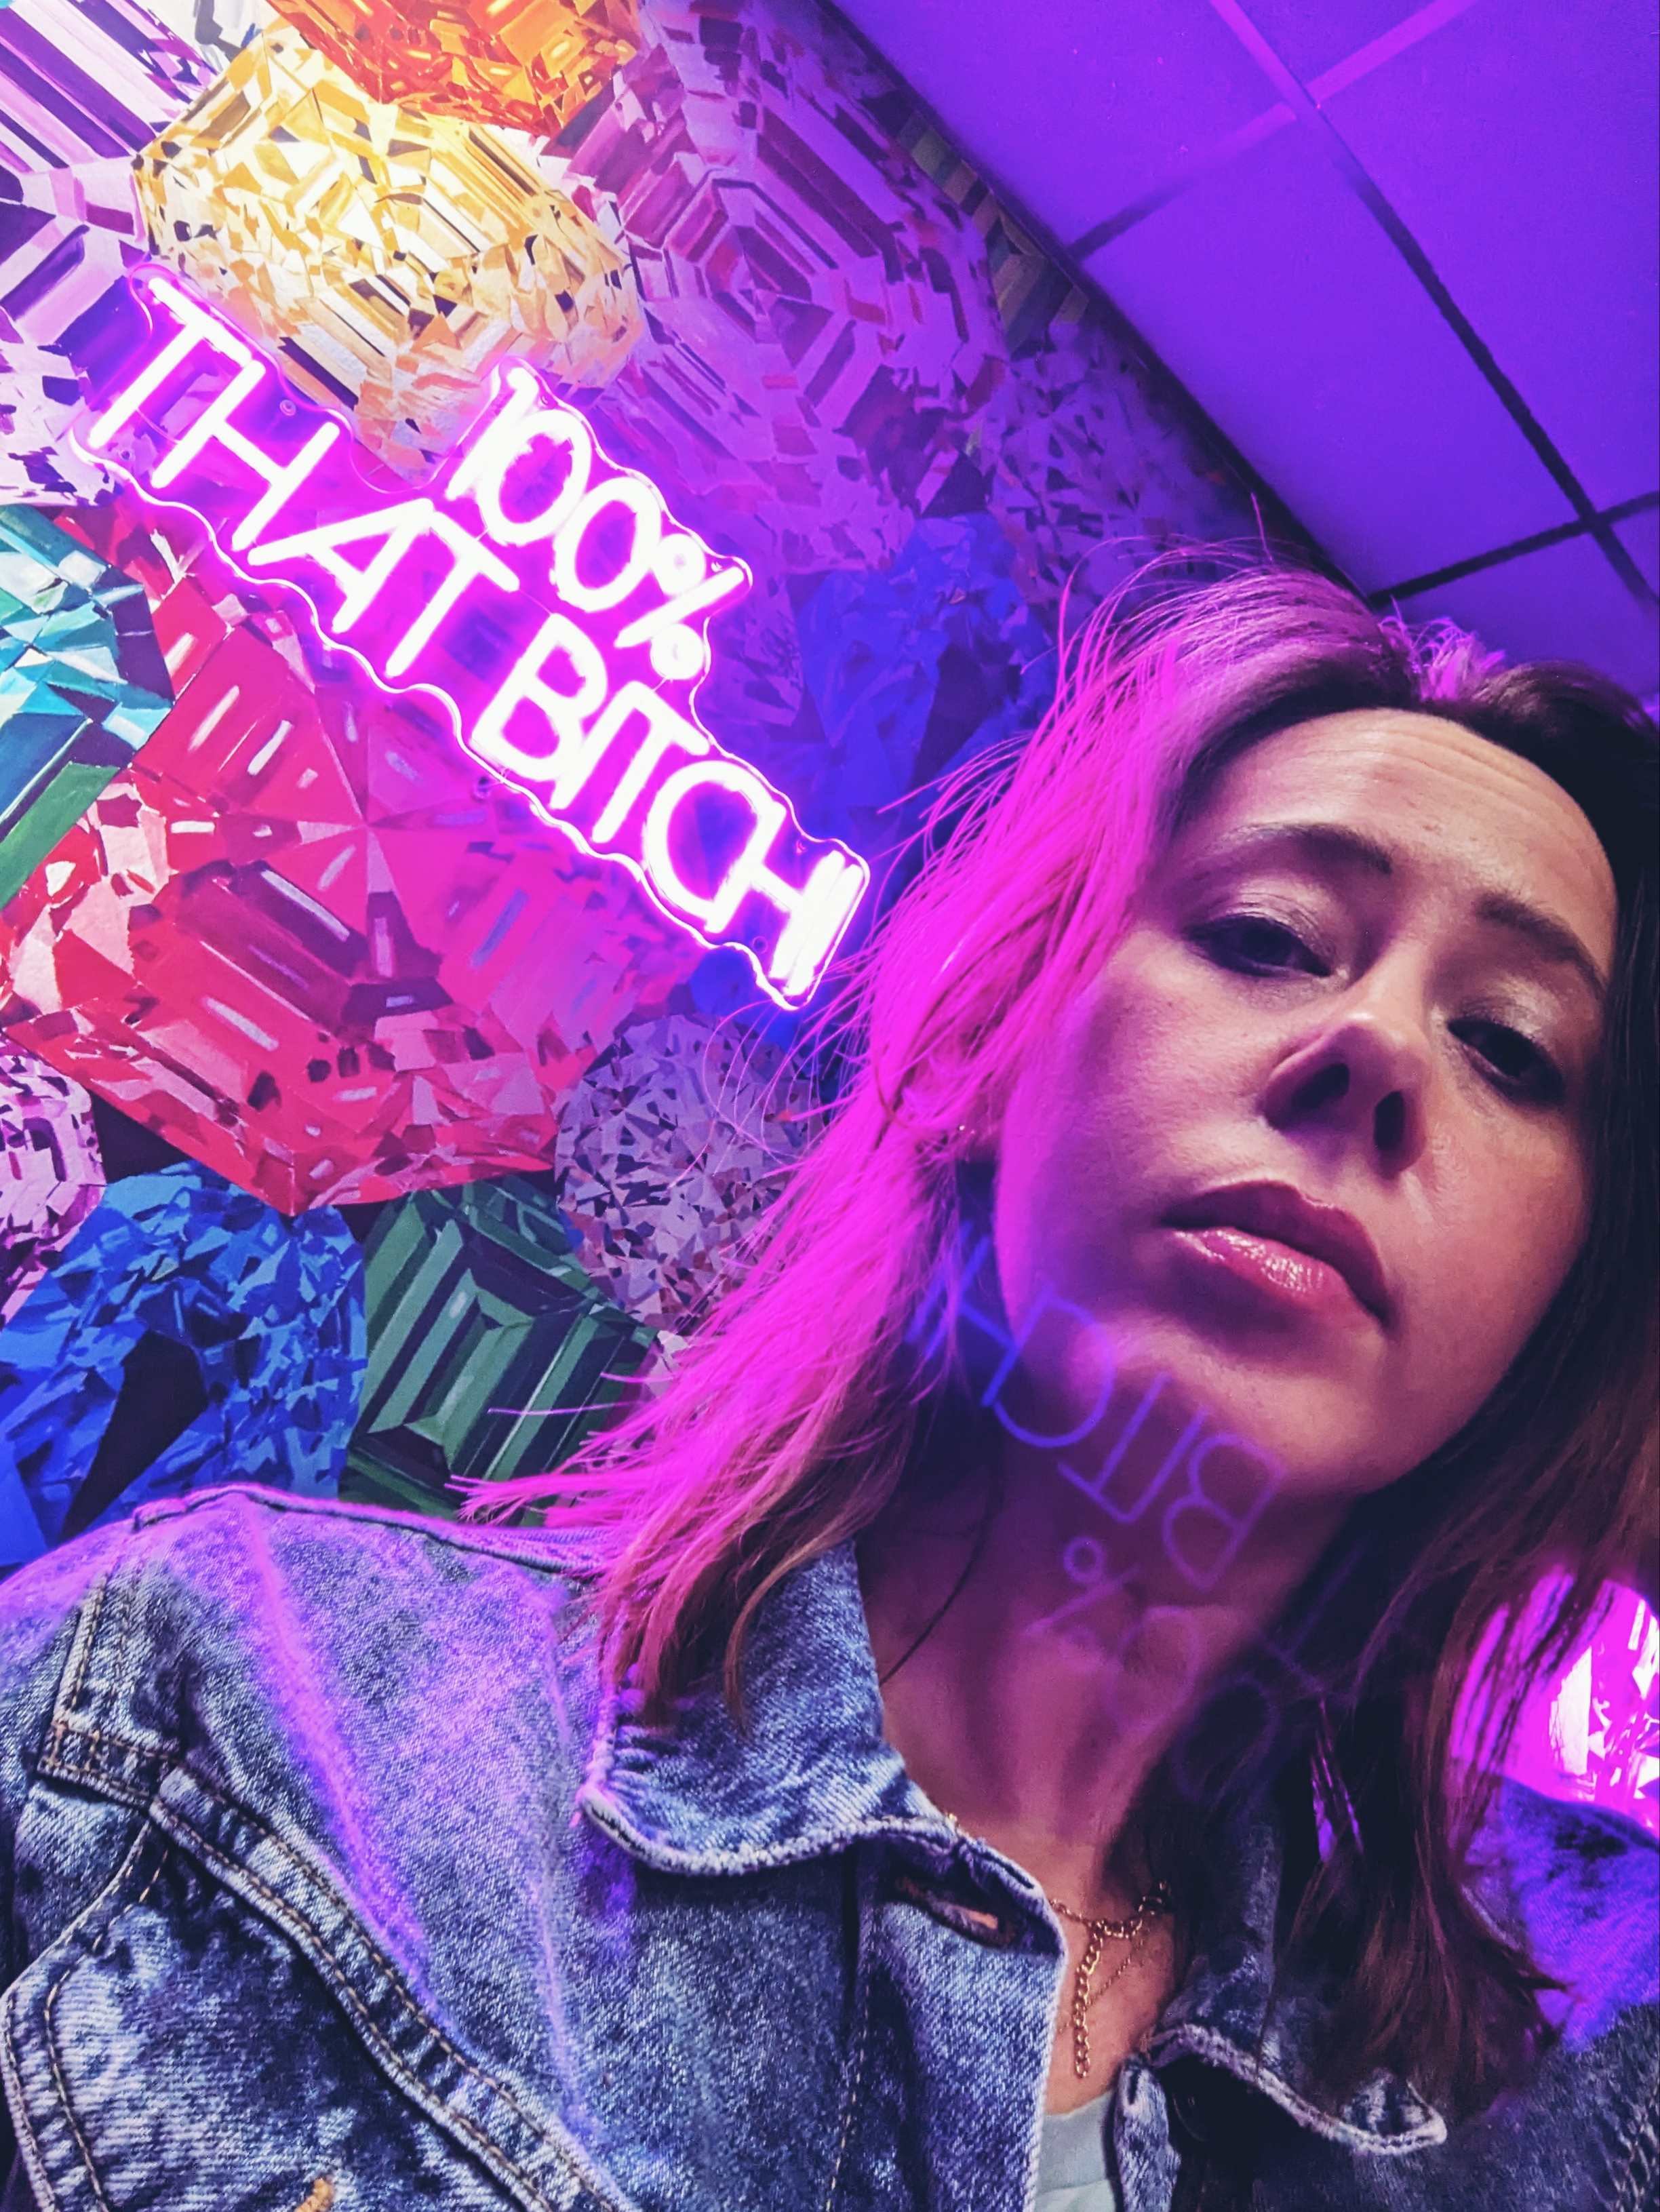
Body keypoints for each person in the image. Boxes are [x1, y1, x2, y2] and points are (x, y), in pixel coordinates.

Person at [0, 561, 1653, 2211]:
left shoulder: (1567, 2069)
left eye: (1511, 1043)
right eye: (1267, 934)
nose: (1378, 1046)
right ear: (1004, 1036)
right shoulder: (216, 1708)